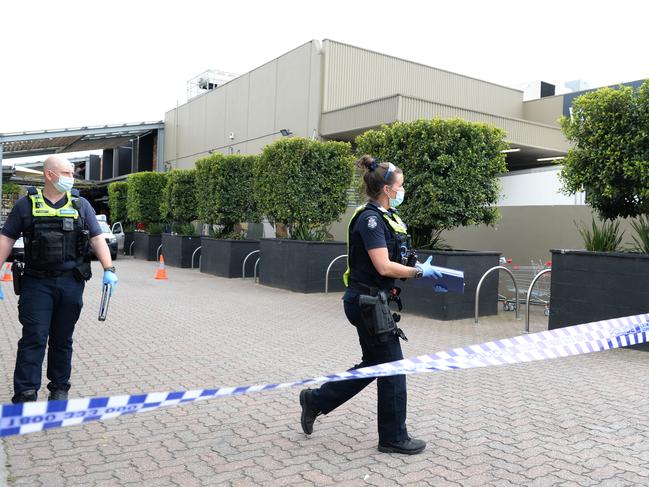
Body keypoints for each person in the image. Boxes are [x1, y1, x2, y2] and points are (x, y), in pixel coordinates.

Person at [299, 155, 447, 455]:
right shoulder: (370, 219)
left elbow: (401, 257)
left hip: (375, 301)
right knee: (393, 367)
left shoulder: (389, 218)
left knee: (374, 365)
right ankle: (393, 437)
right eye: (401, 186)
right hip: (366, 302)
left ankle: (316, 400)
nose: (403, 191)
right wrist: (418, 273)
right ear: (387, 190)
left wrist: (425, 270)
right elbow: (382, 265)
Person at [0, 155, 118, 403]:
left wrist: (109, 269)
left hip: (71, 282)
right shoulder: (26, 205)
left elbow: (97, 238)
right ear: (49, 175)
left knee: (62, 338)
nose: (71, 178)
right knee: (34, 337)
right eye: (66, 173)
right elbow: (6, 240)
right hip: (36, 283)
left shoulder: (81, 205)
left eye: (72, 173)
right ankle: (25, 392)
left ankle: (59, 387)